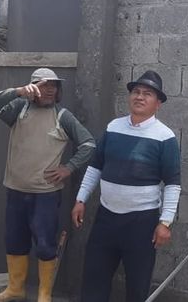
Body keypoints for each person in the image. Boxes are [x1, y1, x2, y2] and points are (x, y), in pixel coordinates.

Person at [71, 70, 181, 302]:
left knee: (137, 286)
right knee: (93, 280)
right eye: (136, 92)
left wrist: (165, 222)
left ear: (158, 103)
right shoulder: (114, 127)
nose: (139, 97)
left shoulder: (165, 137)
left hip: (141, 223)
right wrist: (81, 199)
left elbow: (172, 183)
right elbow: (95, 167)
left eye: (147, 94)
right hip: (106, 218)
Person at [0, 68, 95, 302]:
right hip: (16, 190)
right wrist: (18, 92)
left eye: (53, 86)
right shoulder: (19, 109)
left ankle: (44, 294)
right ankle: (15, 289)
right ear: (32, 87)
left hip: (45, 195)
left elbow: (88, 144)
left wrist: (68, 168)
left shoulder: (62, 116)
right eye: (43, 85)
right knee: (15, 242)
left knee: (46, 245)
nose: (49, 90)